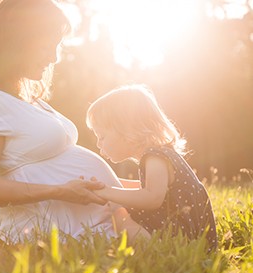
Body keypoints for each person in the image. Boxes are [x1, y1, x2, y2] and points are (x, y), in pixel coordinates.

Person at [0, 0, 122, 244]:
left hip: (90, 227)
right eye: (47, 46)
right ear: (18, 41)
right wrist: (60, 191)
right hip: (45, 236)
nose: (54, 58)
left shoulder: (29, 100)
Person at [86, 85, 218, 251]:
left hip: (176, 240)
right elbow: (153, 189)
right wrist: (112, 183)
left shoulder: (154, 157)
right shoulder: (161, 153)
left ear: (125, 129)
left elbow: (153, 197)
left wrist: (106, 192)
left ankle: (153, 250)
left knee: (117, 213)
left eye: (102, 136)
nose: (98, 144)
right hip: (187, 237)